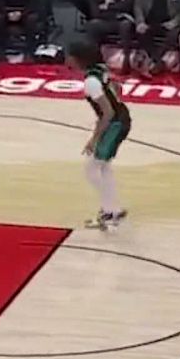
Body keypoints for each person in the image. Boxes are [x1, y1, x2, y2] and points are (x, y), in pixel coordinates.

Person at [65, 40, 131, 231]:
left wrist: (94, 139)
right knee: (104, 167)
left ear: (77, 59)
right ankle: (111, 210)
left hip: (115, 123)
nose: (66, 59)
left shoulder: (91, 82)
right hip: (121, 119)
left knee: (91, 169)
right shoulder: (100, 69)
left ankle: (110, 212)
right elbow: (117, 87)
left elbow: (108, 113)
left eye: (69, 56)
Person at [85, 0, 136, 72]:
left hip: (123, 19)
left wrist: (107, 7)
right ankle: (96, 61)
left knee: (126, 25)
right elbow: (95, 12)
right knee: (92, 25)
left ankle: (126, 61)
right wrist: (116, 8)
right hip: (106, 21)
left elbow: (127, 5)